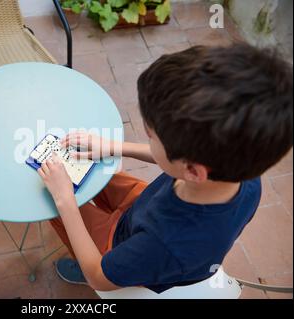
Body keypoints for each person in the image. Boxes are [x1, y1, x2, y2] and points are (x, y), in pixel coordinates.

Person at [37, 44, 293, 293]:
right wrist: (113, 146)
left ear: (193, 171)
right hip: (147, 207)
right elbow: (172, 159)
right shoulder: (244, 173)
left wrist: (65, 201)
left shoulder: (163, 245)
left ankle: (80, 253)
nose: (148, 138)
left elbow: (99, 278)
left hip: (124, 250)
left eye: (151, 136)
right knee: (93, 174)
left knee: (51, 201)